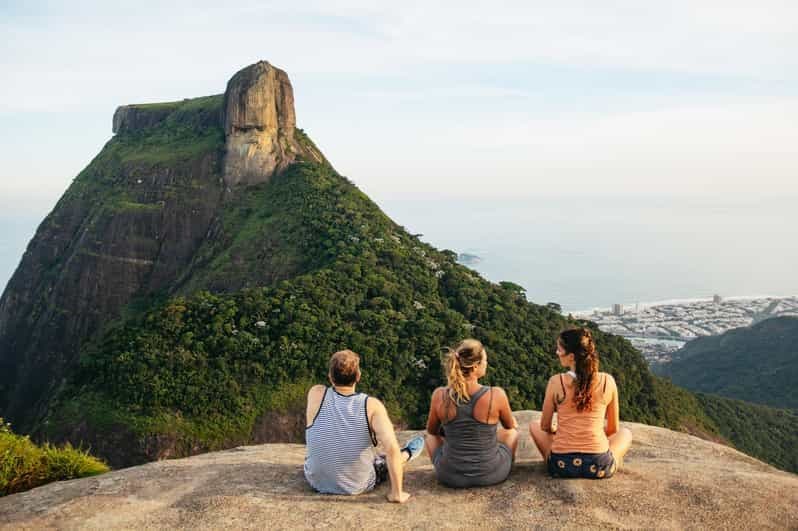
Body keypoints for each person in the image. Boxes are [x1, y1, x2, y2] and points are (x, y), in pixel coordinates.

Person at [304, 349, 424, 503]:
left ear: (330, 376)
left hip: (316, 481)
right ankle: (407, 453)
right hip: (356, 485)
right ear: (358, 376)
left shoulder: (315, 393)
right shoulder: (371, 406)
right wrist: (397, 494)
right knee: (383, 461)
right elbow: (392, 448)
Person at [529, 327, 633, 479]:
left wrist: (558, 430)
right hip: (598, 466)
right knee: (625, 433)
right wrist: (590, 433)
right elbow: (613, 429)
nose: (557, 353)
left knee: (534, 425)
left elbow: (544, 426)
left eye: (559, 350)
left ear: (571, 357)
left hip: (561, 466)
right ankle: (613, 462)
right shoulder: (607, 381)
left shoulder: (556, 382)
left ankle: (557, 461)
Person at [424, 339, 519, 488]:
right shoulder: (496, 394)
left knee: (429, 438)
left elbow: (431, 431)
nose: (487, 364)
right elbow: (509, 426)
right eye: (485, 361)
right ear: (475, 367)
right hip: (492, 474)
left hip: (450, 476)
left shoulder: (439, 395)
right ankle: (503, 465)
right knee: (511, 433)